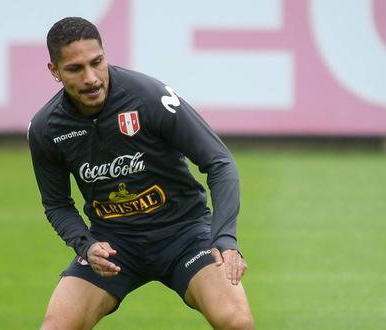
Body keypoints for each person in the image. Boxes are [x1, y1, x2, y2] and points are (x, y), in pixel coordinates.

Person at [28, 16, 254, 330]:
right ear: (54, 71)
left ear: (106, 54)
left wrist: (225, 239)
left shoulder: (149, 98)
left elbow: (219, 163)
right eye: (75, 69)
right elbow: (57, 204)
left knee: (237, 323)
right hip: (114, 245)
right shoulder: (46, 128)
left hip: (184, 235)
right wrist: (86, 245)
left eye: (97, 62)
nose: (91, 78)